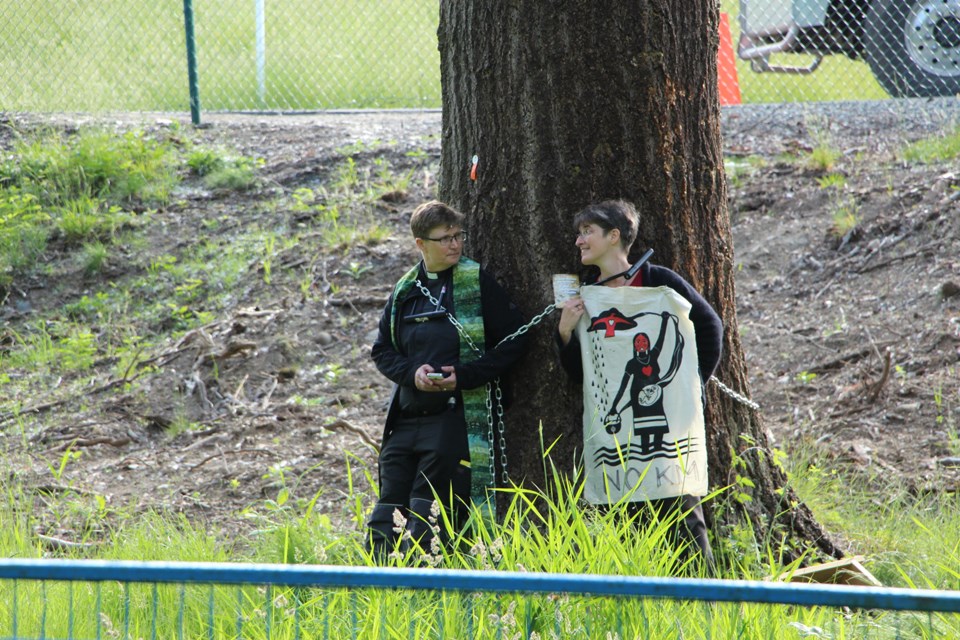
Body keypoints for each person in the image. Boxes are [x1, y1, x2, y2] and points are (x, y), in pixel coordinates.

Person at [555, 200, 723, 567]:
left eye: (588, 233)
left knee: (681, 513)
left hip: (667, 423)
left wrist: (689, 385)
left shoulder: (659, 280)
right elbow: (583, 372)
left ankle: (708, 603)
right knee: (628, 521)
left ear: (615, 236)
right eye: (579, 233)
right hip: (619, 432)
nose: (579, 241)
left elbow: (710, 328)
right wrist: (566, 333)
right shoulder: (589, 295)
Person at [368, 200, 528, 561]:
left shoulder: (476, 282)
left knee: (427, 515)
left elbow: (517, 337)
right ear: (421, 244)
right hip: (405, 420)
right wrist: (413, 374)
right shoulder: (405, 291)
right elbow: (382, 351)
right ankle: (378, 588)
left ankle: (427, 587)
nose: (455, 245)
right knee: (386, 514)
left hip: (453, 419)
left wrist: (465, 376)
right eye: (445, 239)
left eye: (458, 236)